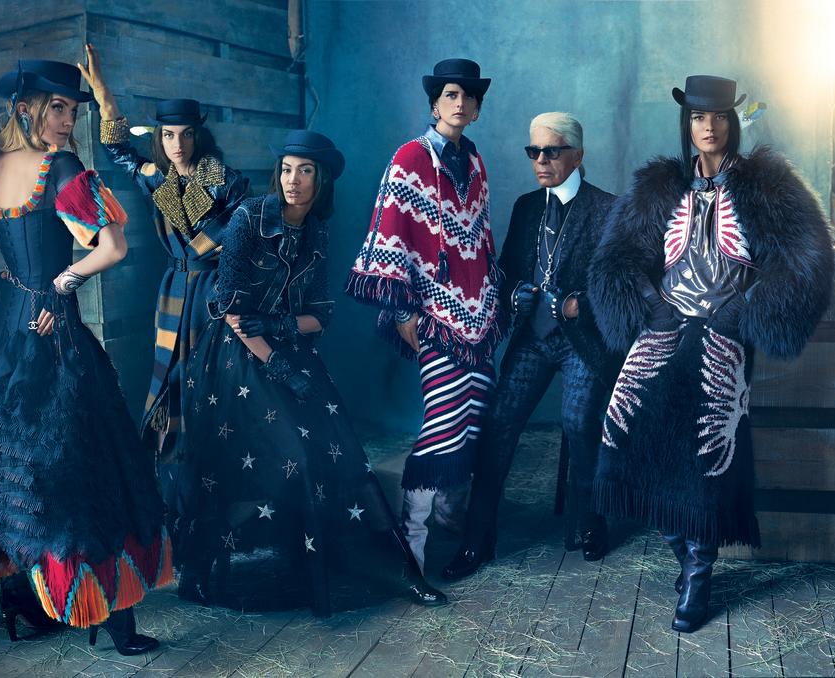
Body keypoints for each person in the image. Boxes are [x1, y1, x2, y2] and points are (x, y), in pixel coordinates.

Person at [0, 59, 172, 654]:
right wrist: (61, 284)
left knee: (8, 468)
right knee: (85, 469)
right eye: (57, 107)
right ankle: (110, 622)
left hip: (4, 335)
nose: (67, 121)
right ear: (26, 107)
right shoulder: (60, 169)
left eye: (74, 110)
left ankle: (31, 606)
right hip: (50, 334)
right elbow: (111, 247)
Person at [588, 75, 834, 633]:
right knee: (622, 434)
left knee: (706, 445)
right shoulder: (660, 187)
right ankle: (684, 552)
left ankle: (698, 574)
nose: (709, 126)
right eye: (699, 117)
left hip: (725, 331)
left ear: (732, 122)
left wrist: (742, 310)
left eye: (719, 116)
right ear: (687, 122)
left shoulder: (765, 185)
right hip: (665, 325)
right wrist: (650, 304)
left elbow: (806, 259)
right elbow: (618, 259)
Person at [177, 130, 448, 615]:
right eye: (286, 169)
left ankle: (393, 569)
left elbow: (321, 314)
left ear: (320, 180)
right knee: (294, 457)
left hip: (288, 346)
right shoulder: (248, 218)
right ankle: (202, 570)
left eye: (304, 171)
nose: (292, 181)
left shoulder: (317, 230)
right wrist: (278, 360)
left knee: (341, 450)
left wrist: (283, 326)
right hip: (237, 357)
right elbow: (234, 312)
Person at [442, 112, 618, 581]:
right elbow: (506, 271)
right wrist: (514, 290)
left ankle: (592, 518)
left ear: (577, 155)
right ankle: (477, 537)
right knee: (497, 422)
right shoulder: (525, 207)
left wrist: (581, 304)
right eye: (533, 152)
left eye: (552, 151)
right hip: (535, 339)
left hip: (584, 342)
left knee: (579, 421)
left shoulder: (609, 209)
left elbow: (626, 286)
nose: (540, 160)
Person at [346, 59, 503, 572]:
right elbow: (391, 234)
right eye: (451, 95)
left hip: (476, 318)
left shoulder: (475, 163)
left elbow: (479, 239)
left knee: (475, 417)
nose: (460, 104)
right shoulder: (409, 158)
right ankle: (410, 542)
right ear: (435, 104)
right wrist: (400, 312)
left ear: (477, 110)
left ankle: (451, 519)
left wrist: (487, 304)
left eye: (469, 98)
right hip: (431, 317)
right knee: (442, 423)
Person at [78, 44, 250, 481]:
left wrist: (219, 264)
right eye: (169, 135)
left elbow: (241, 234)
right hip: (173, 289)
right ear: (160, 137)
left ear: (198, 135)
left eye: (186, 134)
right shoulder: (156, 176)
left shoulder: (221, 177)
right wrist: (103, 96)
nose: (177, 144)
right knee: (169, 374)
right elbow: (117, 147)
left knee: (209, 376)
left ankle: (214, 467)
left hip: (213, 291)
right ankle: (170, 467)